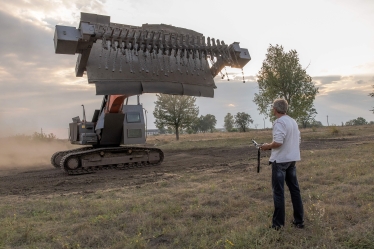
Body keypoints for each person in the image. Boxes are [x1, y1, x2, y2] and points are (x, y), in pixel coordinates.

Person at [260, 99, 304, 230]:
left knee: (278, 192)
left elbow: (278, 142)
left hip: (280, 161)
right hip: (292, 159)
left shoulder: (279, 122)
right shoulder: (293, 121)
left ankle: (278, 225)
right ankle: (299, 221)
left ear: (275, 109)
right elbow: (298, 139)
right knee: (295, 190)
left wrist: (267, 146)